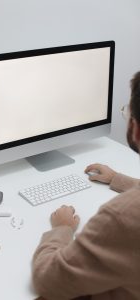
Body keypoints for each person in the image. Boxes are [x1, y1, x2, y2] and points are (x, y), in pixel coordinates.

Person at [32, 71, 140, 300]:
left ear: (136, 129)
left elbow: (47, 281)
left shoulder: (123, 217)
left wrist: (61, 229)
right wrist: (117, 179)